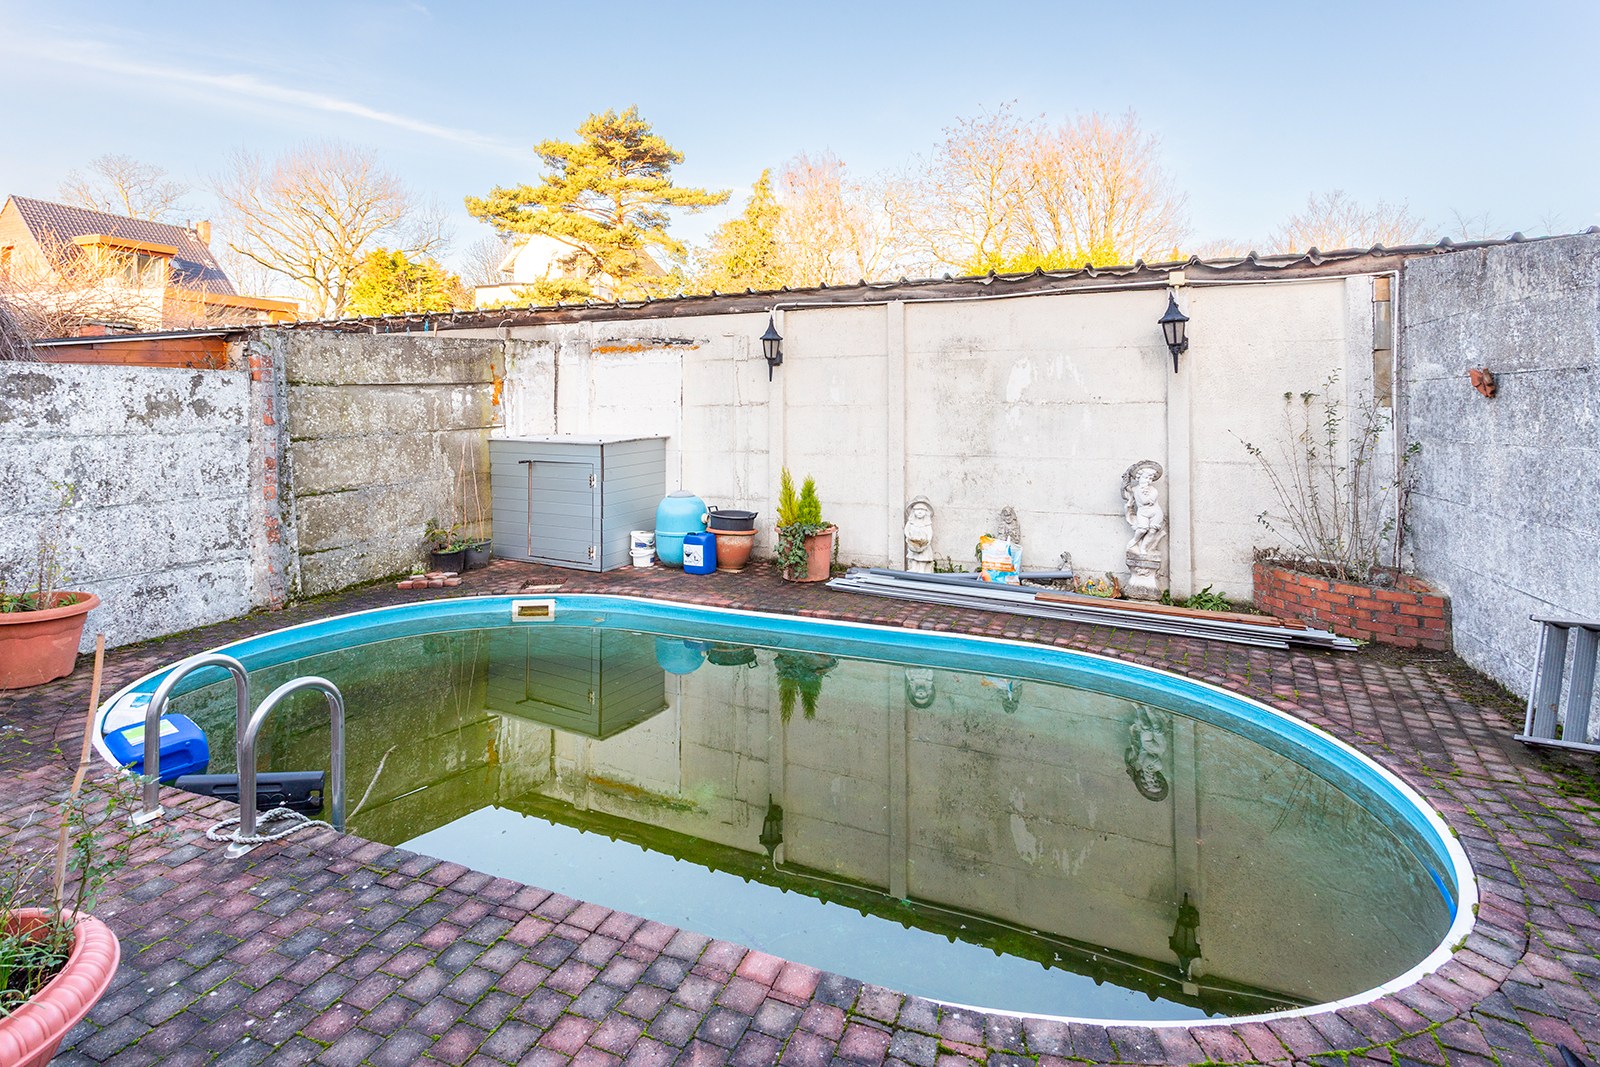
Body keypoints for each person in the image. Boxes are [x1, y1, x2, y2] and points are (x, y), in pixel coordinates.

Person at [903, 496, 935, 573]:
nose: (919, 512)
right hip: (913, 543)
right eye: (917, 510)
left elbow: (930, 532)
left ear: (926, 512)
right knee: (913, 556)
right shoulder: (911, 522)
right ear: (913, 511)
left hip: (923, 544)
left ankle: (922, 569)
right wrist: (908, 536)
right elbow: (906, 530)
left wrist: (928, 540)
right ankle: (914, 567)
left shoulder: (927, 523)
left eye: (922, 510)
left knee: (923, 557)